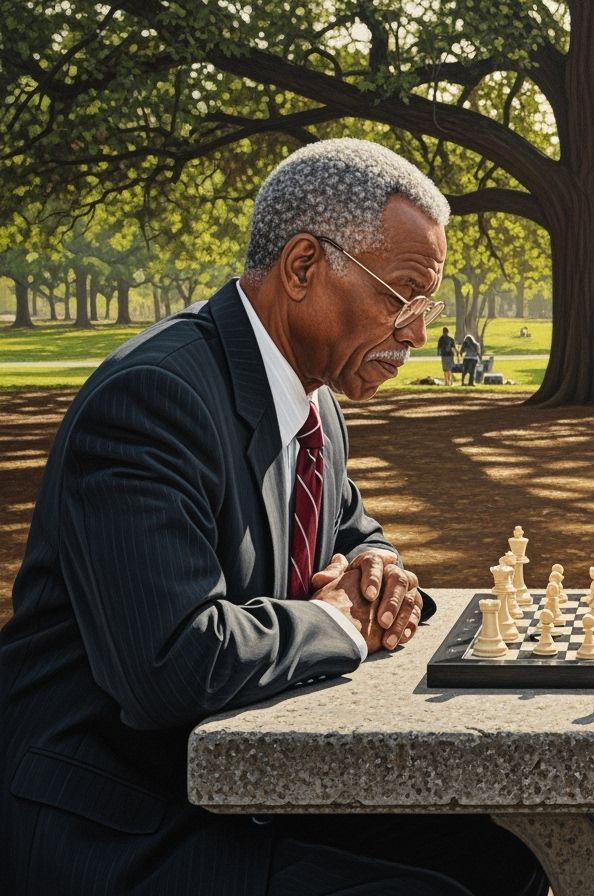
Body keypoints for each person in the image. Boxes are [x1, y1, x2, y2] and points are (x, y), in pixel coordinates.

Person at [0, 138, 546, 896]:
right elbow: (173, 663)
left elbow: (358, 540)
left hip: (233, 781)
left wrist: (381, 575)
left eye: (427, 305)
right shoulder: (154, 401)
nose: (419, 332)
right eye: (400, 296)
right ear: (301, 268)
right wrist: (342, 623)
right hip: (113, 817)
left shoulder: (314, 398)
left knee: (507, 852)